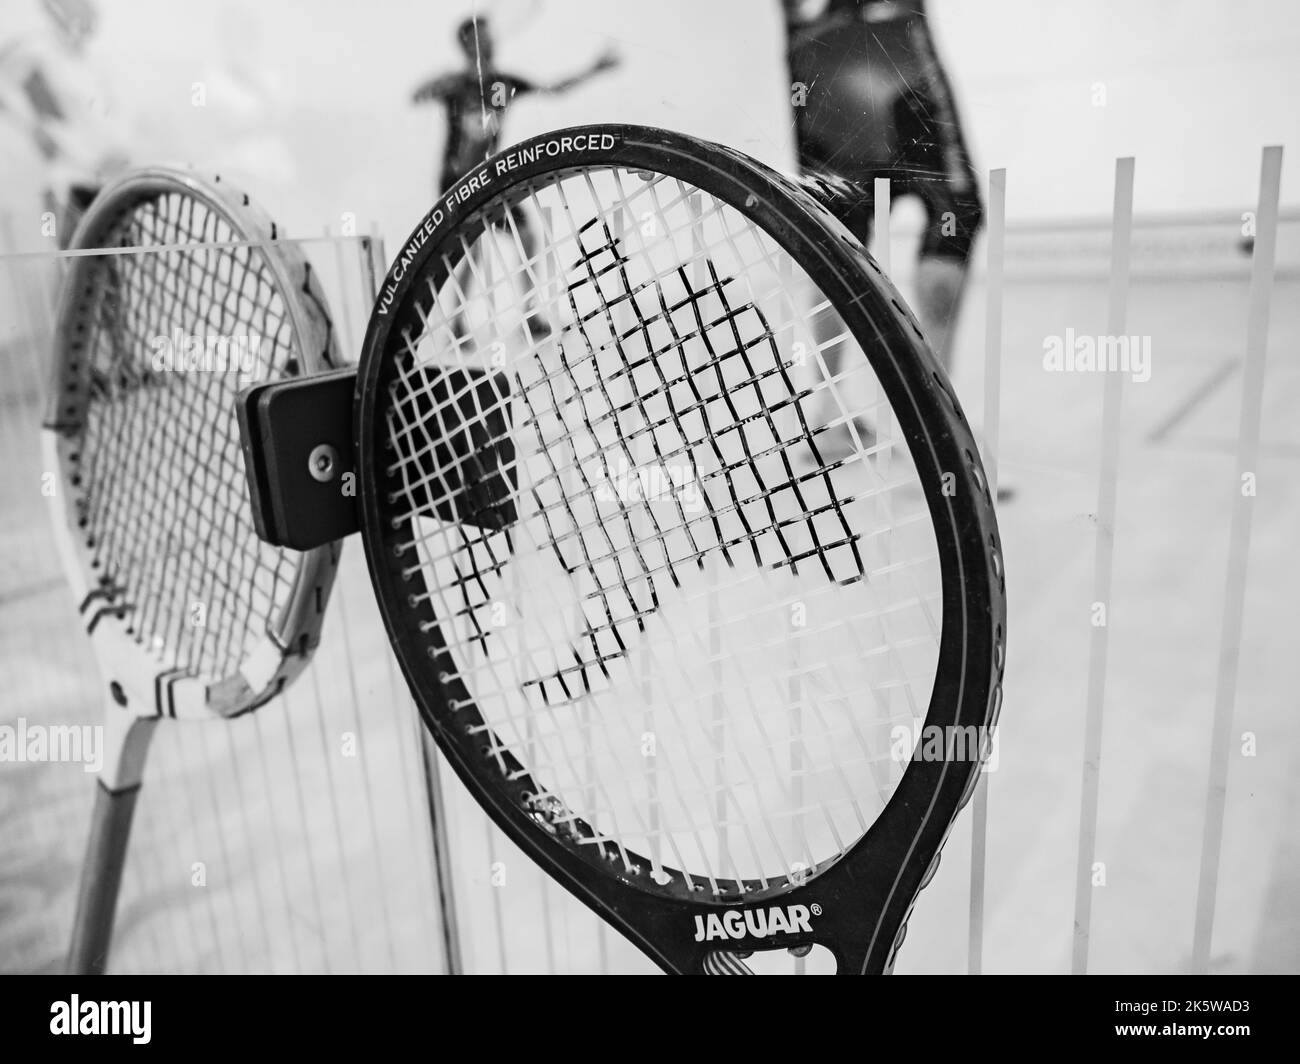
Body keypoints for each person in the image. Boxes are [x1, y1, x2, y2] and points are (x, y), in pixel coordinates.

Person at [783, 0, 983, 455]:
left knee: (955, 216)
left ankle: (931, 431)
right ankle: (842, 418)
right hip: (836, 77)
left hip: (891, 71)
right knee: (833, 242)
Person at [411, 14, 618, 340]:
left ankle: (529, 313)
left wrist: (595, 69)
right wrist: (434, 87)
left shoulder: (498, 85)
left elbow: (552, 89)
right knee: (471, 248)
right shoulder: (456, 86)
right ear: (466, 44)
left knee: (525, 236)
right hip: (457, 183)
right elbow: (418, 93)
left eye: (488, 34)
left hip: (490, 180)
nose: (487, 40)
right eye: (479, 36)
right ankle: (457, 322)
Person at [0, 0, 128, 247]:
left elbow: (101, 118)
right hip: (67, 182)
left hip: (99, 181)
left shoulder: (87, 63)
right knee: (72, 258)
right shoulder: (36, 50)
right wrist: (34, 128)